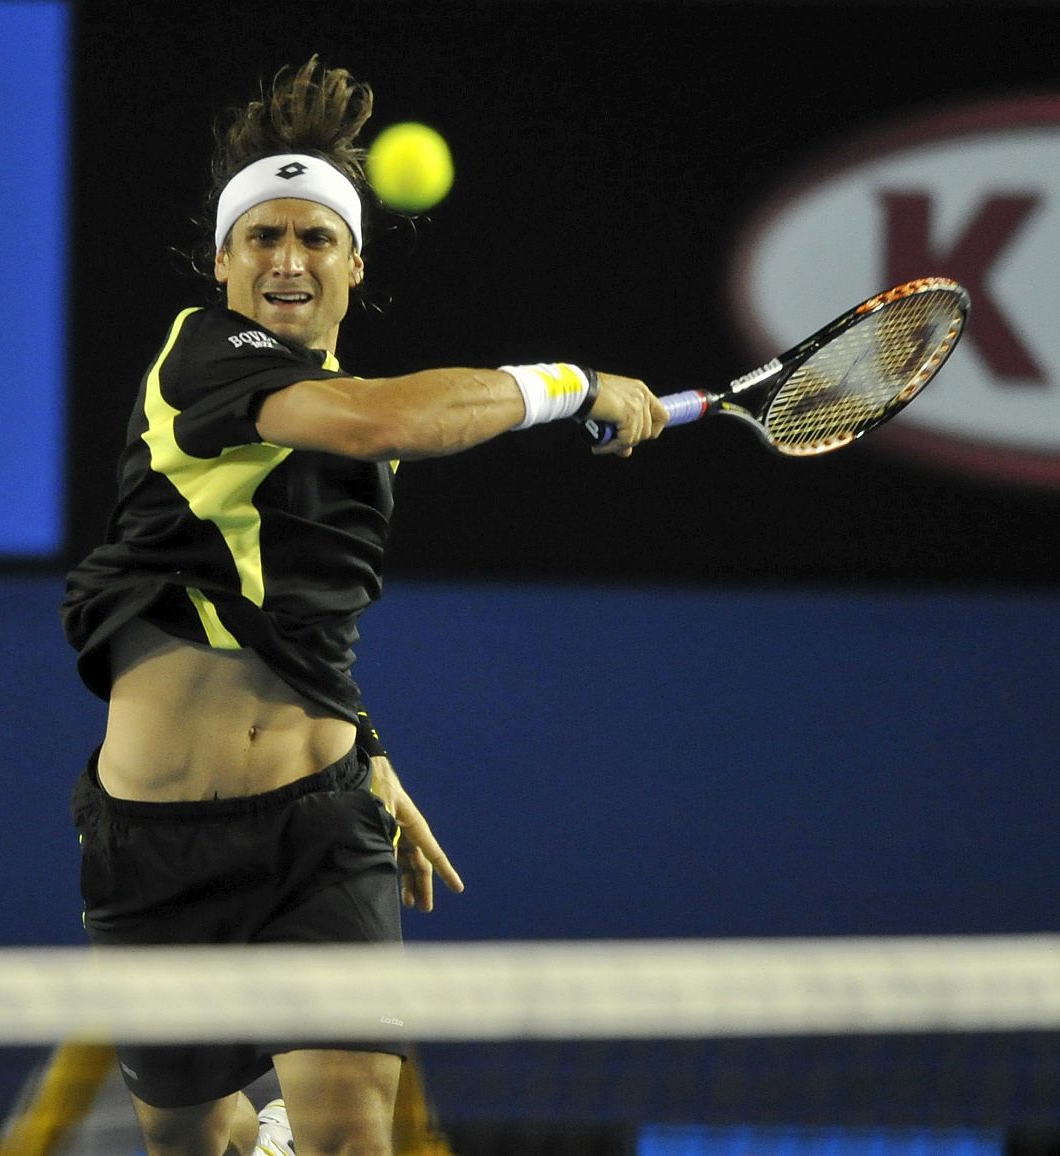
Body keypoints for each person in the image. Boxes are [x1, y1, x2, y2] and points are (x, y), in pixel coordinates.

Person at [61, 57, 667, 1156]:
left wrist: (371, 759)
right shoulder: (202, 361)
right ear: (223, 261)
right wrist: (572, 384)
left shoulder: (351, 444)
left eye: (315, 239)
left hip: (318, 825)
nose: (288, 259)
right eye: (263, 237)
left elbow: (297, 626)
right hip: (158, 845)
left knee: (354, 1140)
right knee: (192, 1141)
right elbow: (385, 418)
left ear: (353, 262)